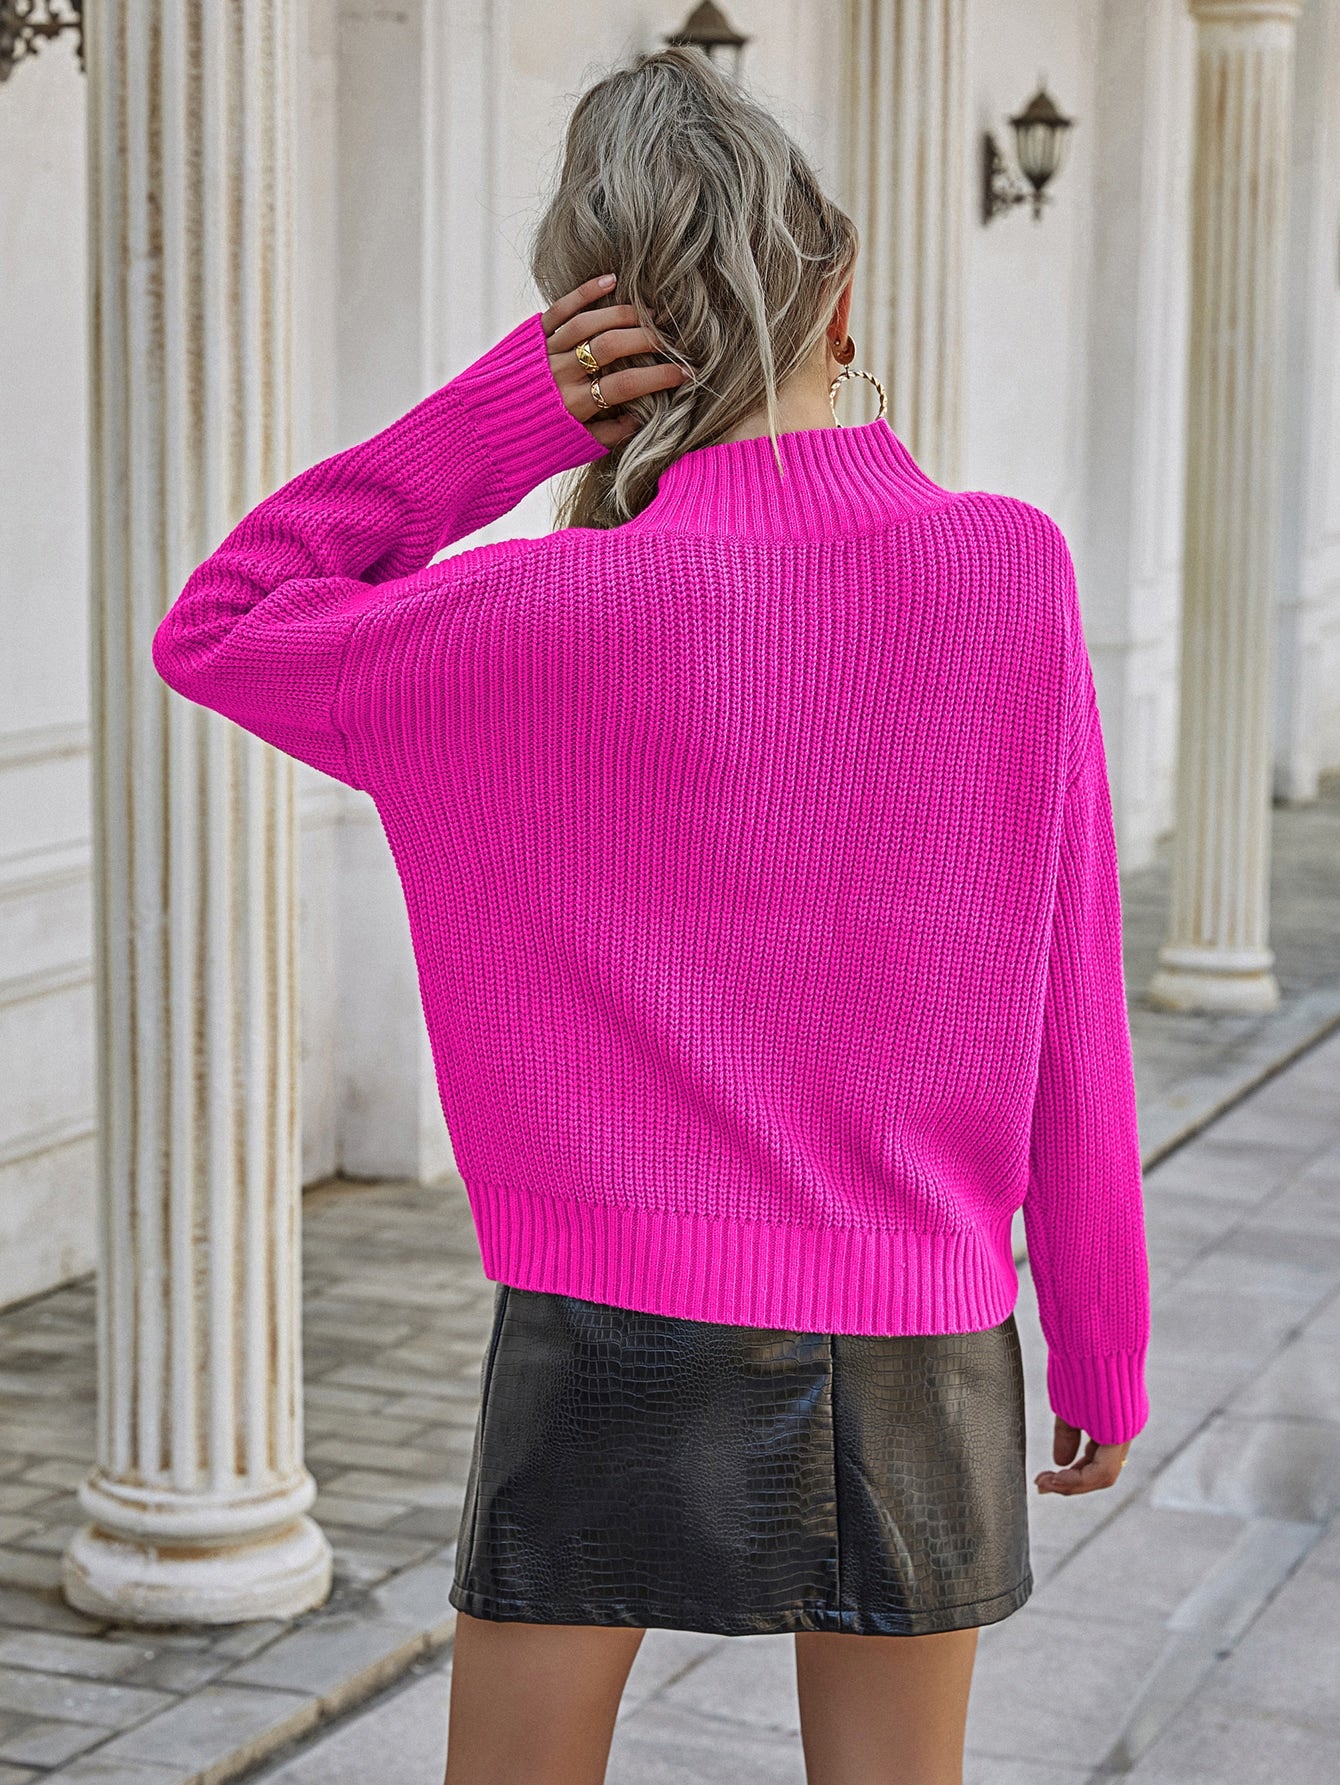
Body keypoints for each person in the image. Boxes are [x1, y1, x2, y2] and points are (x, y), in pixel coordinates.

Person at [151, 44, 1150, 1785]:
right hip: (920, 1324)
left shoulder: (519, 620)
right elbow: (1072, 979)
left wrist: (500, 421)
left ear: (596, 340)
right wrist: (1100, 1328)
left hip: (602, 1323)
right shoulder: (1008, 567)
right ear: (841, 297)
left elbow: (224, 622)